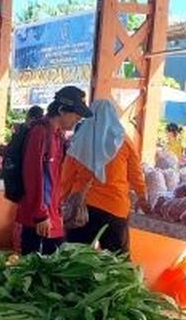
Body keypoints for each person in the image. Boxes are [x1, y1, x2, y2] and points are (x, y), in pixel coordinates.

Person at [61, 98, 143, 255]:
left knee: (75, 257)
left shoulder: (79, 141)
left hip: (83, 207)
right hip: (115, 207)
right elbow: (135, 174)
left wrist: (63, 200)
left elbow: (67, 177)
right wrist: (142, 195)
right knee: (116, 260)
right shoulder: (124, 141)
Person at [17, 101, 68, 255]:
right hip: (39, 215)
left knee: (54, 260)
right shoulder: (40, 132)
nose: (77, 120)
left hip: (51, 212)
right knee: (33, 263)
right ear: (62, 111)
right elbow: (34, 175)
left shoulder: (58, 135)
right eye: (76, 116)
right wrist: (41, 214)